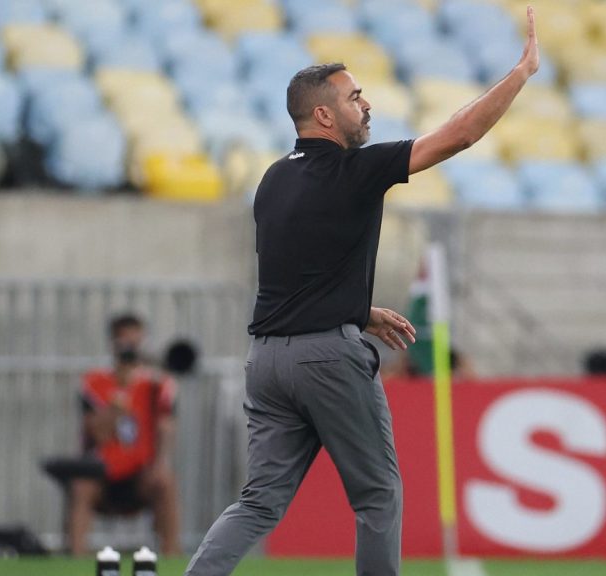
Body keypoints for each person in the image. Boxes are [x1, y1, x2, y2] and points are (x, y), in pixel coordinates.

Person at [184, 7, 540, 576]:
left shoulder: (274, 178)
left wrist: (359, 309)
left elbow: (296, 273)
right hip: (327, 357)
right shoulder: (356, 170)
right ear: (323, 114)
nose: (366, 104)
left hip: (268, 359)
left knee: (259, 500)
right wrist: (520, 73)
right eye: (354, 97)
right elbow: (461, 134)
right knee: (377, 495)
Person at [70, 313, 181, 556]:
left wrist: (161, 462)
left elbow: (167, 425)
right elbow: (95, 433)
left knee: (165, 482)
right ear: (113, 345)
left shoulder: (156, 385)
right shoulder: (95, 383)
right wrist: (117, 405)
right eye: (126, 344)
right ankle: (76, 561)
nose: (131, 351)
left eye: (136, 343)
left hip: (140, 475)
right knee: (80, 487)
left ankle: (172, 558)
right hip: (103, 473)